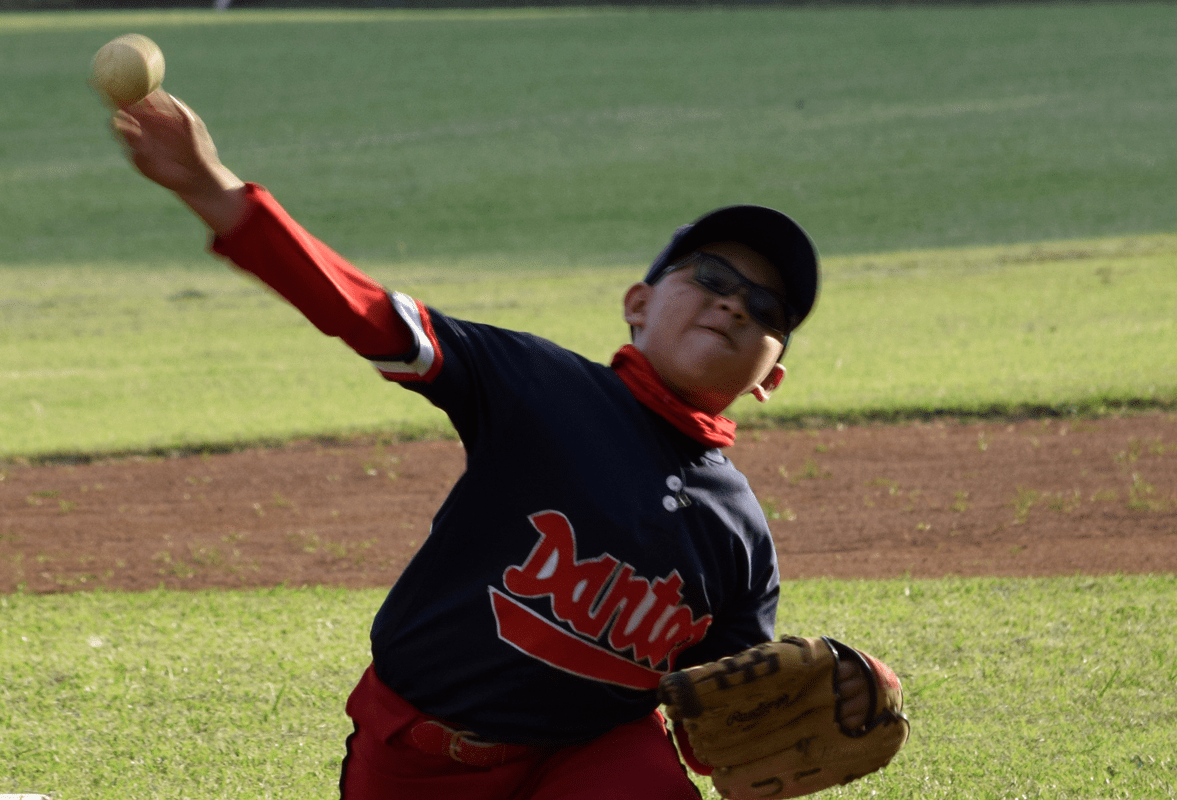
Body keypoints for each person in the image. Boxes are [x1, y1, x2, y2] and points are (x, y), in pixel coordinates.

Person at [109, 90, 872, 800]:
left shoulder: (741, 535)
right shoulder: (542, 386)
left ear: (771, 377)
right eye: (711, 276)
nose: (735, 302)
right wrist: (213, 190)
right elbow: (373, 318)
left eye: (766, 305)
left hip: (591, 757)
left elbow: (727, 723)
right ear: (637, 305)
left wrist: (841, 689)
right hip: (423, 754)